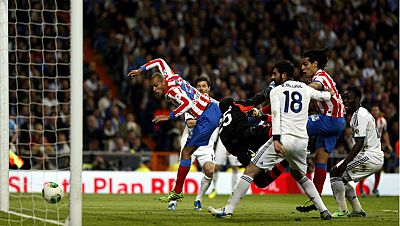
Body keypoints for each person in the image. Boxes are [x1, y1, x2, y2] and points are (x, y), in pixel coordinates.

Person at [208, 60, 333, 219]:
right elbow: (323, 96)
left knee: (250, 170)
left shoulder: (277, 91)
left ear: (284, 74)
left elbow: (275, 115)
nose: (273, 78)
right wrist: (330, 93)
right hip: (302, 140)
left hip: (283, 138)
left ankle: (228, 210)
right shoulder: (304, 88)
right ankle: (324, 210)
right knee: (299, 175)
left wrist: (276, 139)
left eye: (275, 74)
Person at [128, 58, 221, 202]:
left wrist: (169, 116)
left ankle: (177, 191)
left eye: (156, 86)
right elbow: (159, 61)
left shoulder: (171, 91)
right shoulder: (169, 75)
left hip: (206, 116)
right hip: (211, 109)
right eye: (152, 86)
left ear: (163, 83)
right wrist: (141, 70)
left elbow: (187, 103)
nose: (154, 89)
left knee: (185, 153)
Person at [296, 49, 346, 212]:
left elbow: (315, 86)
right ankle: (317, 200)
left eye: (305, 64)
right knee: (320, 159)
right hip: (337, 122)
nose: (302, 68)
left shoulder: (320, 76)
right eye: (301, 65)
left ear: (315, 64)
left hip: (329, 119)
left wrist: (297, 90)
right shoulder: (318, 76)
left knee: (295, 125)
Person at [329, 86, 384, 217]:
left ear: (357, 99)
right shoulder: (357, 114)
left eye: (348, 98)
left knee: (336, 172)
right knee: (339, 177)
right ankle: (357, 210)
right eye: (344, 98)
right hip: (367, 155)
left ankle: (342, 211)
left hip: (370, 156)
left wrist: (345, 163)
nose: (345, 101)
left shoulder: (360, 114)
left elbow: (359, 143)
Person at [168, 76, 217, 211]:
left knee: (210, 170)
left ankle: (198, 199)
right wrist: (210, 120)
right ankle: (173, 200)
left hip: (206, 145)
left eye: (204, 86)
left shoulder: (215, 105)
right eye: (199, 86)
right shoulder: (190, 103)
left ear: (209, 88)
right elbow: (190, 123)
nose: (201, 89)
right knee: (182, 172)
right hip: (190, 144)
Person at [358, 104, 393, 197]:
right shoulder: (366, 121)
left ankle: (375, 189)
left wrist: (388, 145)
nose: (375, 112)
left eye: (376, 110)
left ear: (379, 111)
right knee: (364, 167)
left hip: (377, 148)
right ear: (370, 112)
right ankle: (361, 189)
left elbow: (385, 133)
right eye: (373, 110)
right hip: (366, 147)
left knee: (379, 167)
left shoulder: (382, 121)